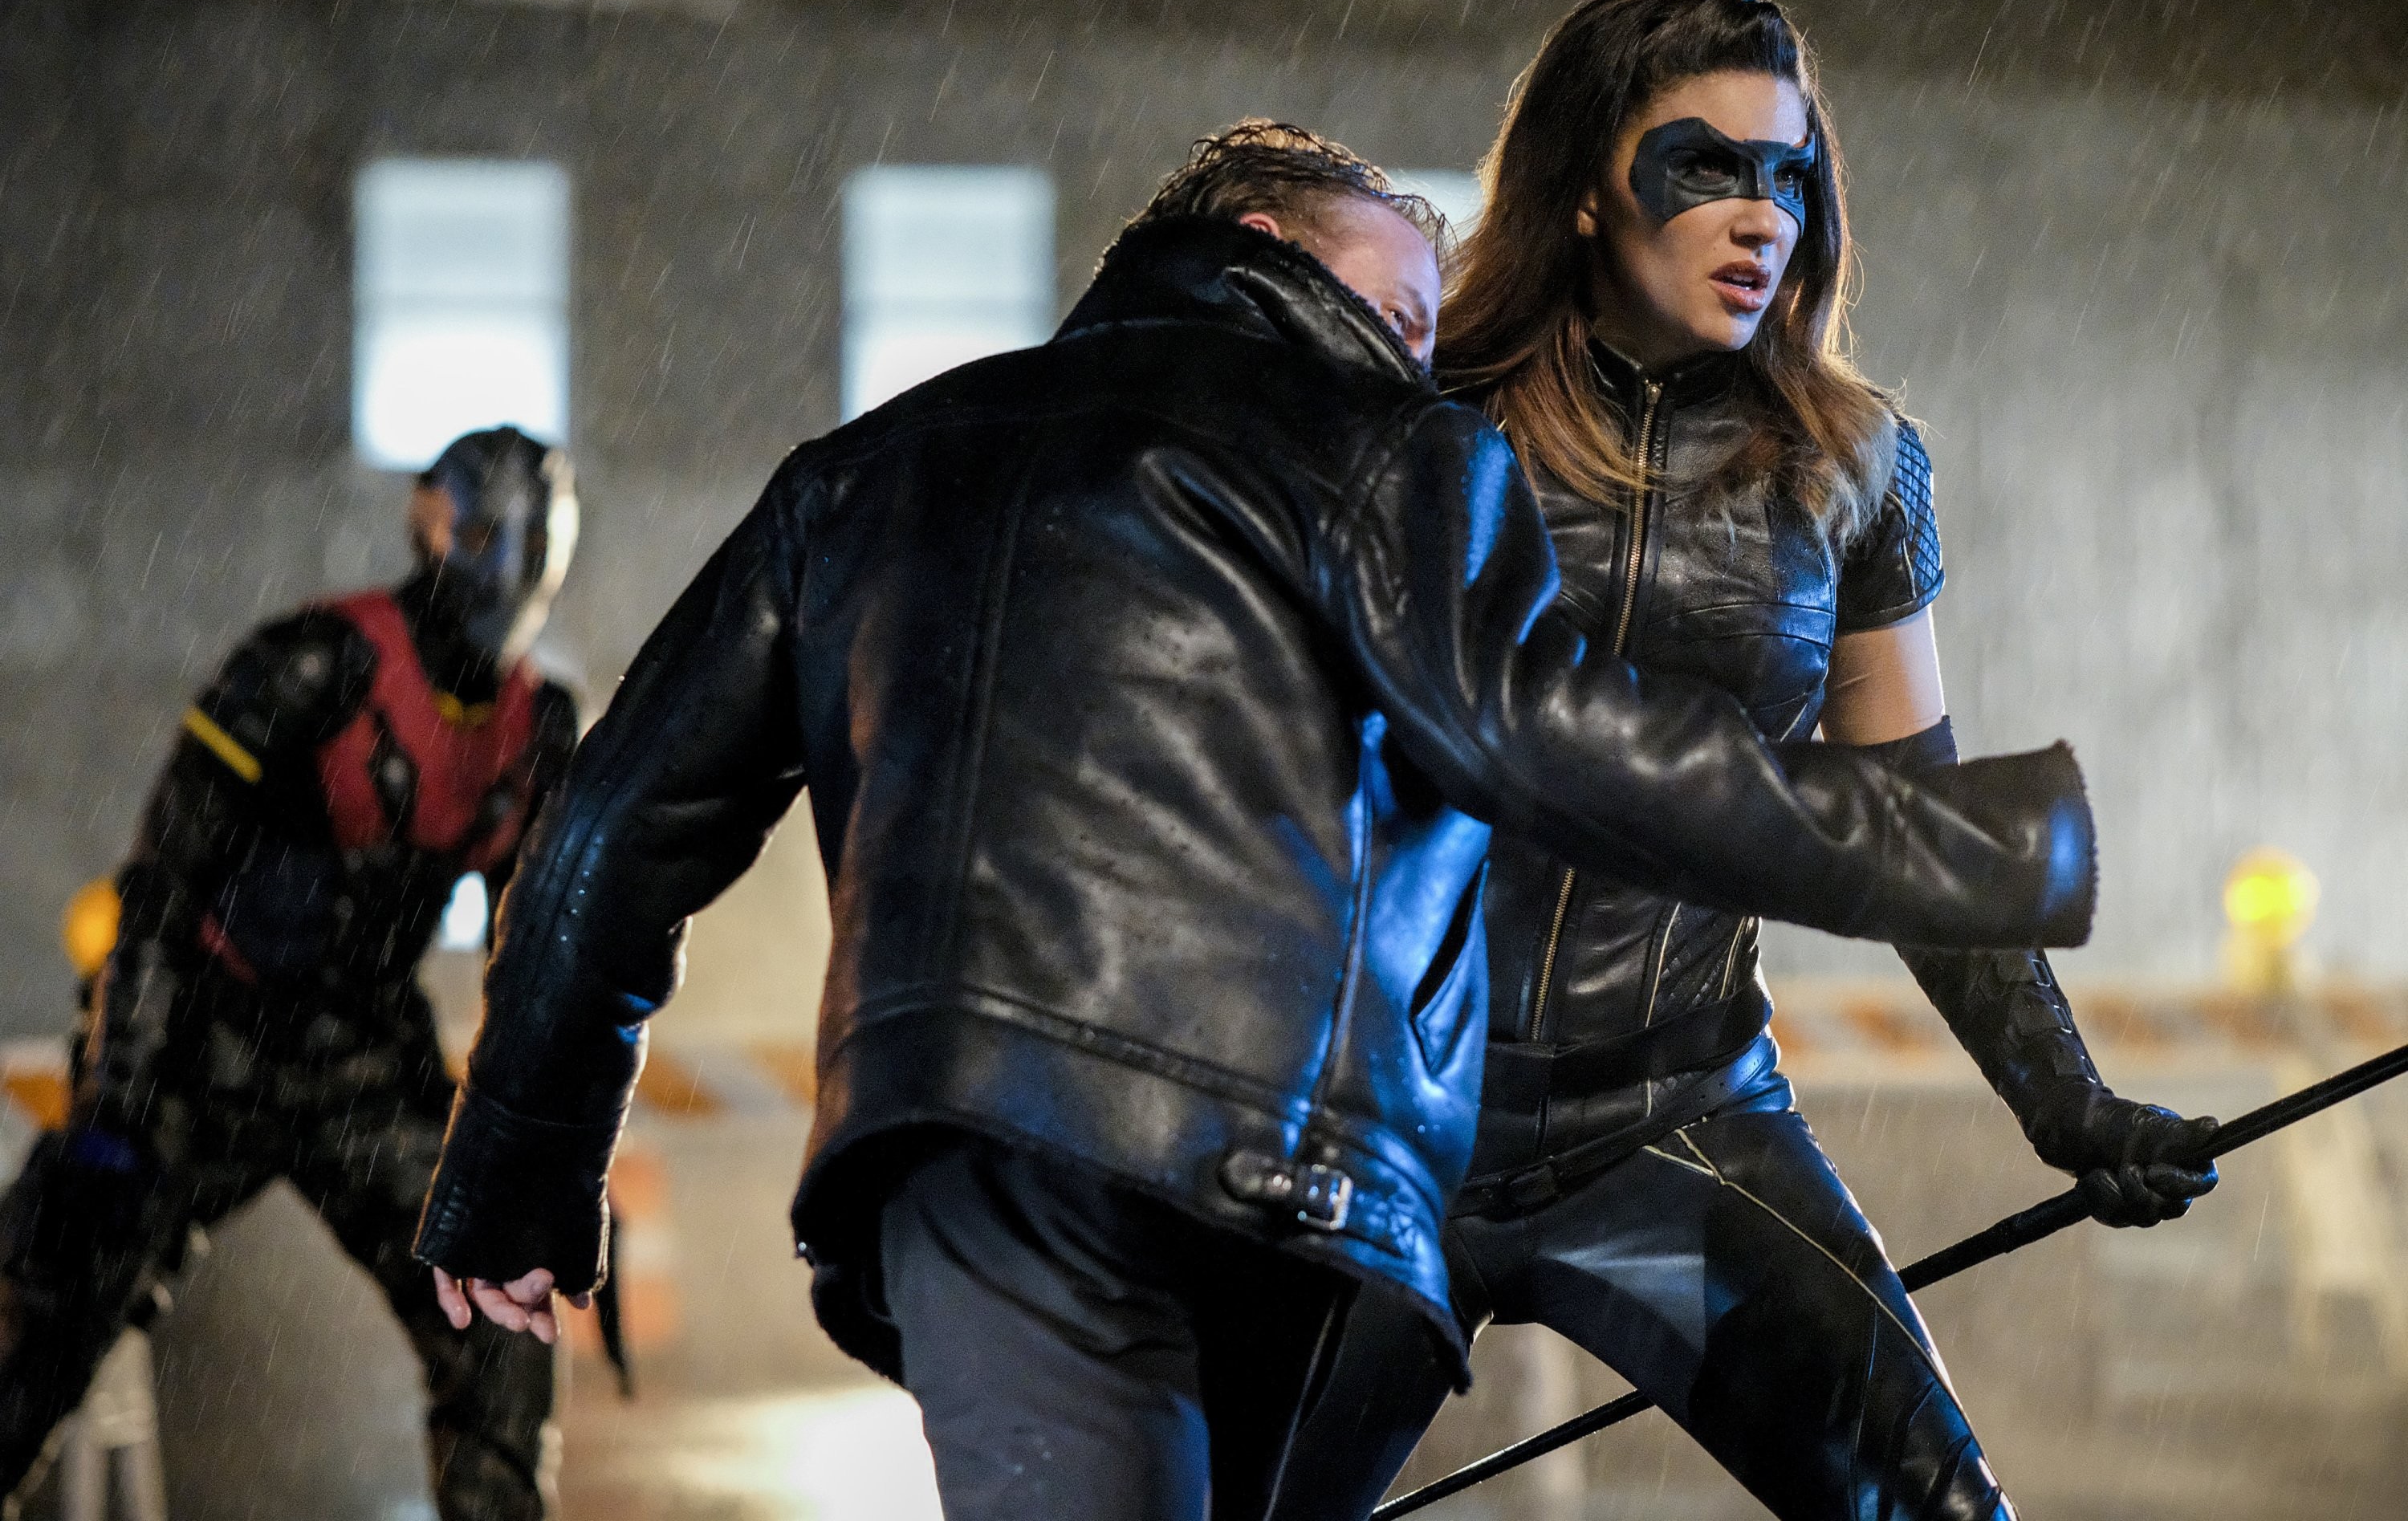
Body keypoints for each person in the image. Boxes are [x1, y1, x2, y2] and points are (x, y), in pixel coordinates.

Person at [413, 123, 2098, 1521]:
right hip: (1284, 1171)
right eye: (1405, 299)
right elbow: (1557, 742)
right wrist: (1971, 847)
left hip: (979, 1141)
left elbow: (611, 832)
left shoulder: (864, 471)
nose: (1426, 353)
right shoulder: (1389, 453)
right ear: (1263, 240)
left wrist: (514, 1177)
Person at [1270, 0, 2220, 1521]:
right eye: (1704, 166)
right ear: (1586, 185)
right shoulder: (1404, 416)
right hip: (1378, 1131)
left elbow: (1904, 822)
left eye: (1788, 176)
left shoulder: (1854, 468)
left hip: (1671, 1133)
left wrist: (2069, 1102)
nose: (1760, 215)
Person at [0, 427, 581, 1521]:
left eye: (533, 542)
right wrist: (119, 1099)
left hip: (364, 1061)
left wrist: (543, 1154)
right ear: (435, 525)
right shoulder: (313, 666)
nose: (512, 567)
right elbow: (165, 879)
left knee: (499, 1318)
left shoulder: (533, 729)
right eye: (493, 536)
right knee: (49, 1316)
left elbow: (543, 959)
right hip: (206, 1044)